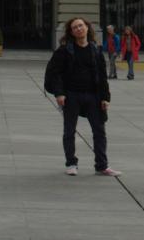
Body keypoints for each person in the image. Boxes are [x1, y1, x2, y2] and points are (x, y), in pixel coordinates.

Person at [45, 17, 120, 177]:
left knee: (99, 131)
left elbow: (102, 76)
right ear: (71, 32)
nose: (79, 29)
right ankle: (71, 163)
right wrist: (59, 93)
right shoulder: (64, 51)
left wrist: (106, 97)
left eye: (81, 25)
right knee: (69, 131)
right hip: (71, 96)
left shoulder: (96, 50)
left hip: (93, 96)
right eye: (75, 27)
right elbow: (55, 73)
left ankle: (102, 165)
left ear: (87, 28)